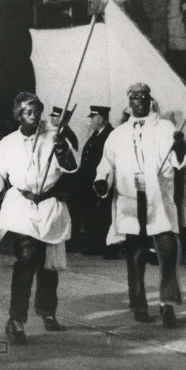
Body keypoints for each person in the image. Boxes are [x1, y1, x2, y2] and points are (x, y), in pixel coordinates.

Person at [0, 92, 77, 343]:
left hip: (50, 206)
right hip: (22, 205)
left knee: (49, 265)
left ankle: (47, 312)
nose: (34, 116)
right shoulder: (7, 143)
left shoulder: (56, 136)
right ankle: (16, 321)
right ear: (19, 114)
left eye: (37, 111)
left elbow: (72, 167)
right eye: (28, 112)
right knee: (27, 259)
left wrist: (62, 150)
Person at [94, 83, 186, 328]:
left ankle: (167, 303)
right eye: (135, 97)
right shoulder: (117, 134)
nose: (139, 101)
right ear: (129, 102)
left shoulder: (165, 127)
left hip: (157, 196)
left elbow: (178, 161)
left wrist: (180, 147)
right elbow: (106, 164)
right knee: (135, 254)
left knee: (168, 249)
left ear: (150, 100)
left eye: (144, 97)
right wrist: (102, 182)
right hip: (130, 197)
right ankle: (138, 304)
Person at [76, 106, 114, 257]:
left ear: (102, 118)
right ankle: (94, 245)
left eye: (93, 117)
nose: (91, 120)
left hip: (102, 182)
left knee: (103, 214)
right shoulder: (97, 134)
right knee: (93, 214)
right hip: (90, 182)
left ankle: (105, 247)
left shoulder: (110, 135)